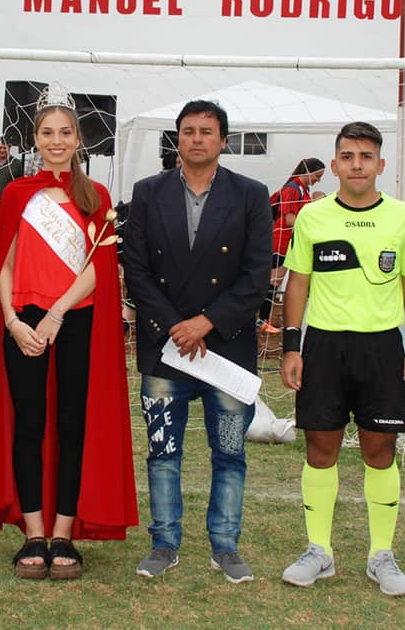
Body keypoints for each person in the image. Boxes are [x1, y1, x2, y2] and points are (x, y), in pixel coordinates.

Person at [0, 87, 137, 580]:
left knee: (71, 425)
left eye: (65, 133)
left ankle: (64, 531)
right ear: (34, 139)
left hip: (75, 321)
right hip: (22, 323)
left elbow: (97, 270)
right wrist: (15, 322)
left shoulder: (95, 197)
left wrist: (57, 314)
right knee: (28, 424)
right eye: (47, 133)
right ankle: (34, 533)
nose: (56, 141)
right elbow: (4, 268)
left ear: (79, 139)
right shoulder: (19, 194)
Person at [122, 99, 272, 583]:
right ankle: (164, 543)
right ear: (178, 139)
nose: (197, 139)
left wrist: (205, 322)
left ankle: (225, 547)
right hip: (166, 353)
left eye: (207, 131)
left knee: (229, 453)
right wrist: (174, 326)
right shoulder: (147, 193)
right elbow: (137, 270)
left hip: (225, 351)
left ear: (223, 140)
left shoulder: (251, 195)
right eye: (188, 131)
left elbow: (256, 276)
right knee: (163, 451)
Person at [278, 122, 405, 596]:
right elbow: (297, 281)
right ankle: (318, 550)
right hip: (323, 346)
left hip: (382, 347)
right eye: (347, 155)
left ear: (380, 165)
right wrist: (291, 345)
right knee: (320, 450)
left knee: (379, 452)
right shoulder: (313, 216)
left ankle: (381, 554)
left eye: (366, 156)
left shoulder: (403, 217)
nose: (357, 164)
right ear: (335, 163)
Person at [259, 157, 326, 333]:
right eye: (318, 175)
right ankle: (261, 321)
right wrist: (311, 226)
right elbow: (289, 219)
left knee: (279, 281)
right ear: (308, 171)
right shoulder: (292, 188)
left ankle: (266, 321)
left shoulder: (304, 190)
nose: (319, 179)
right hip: (282, 240)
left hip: (292, 242)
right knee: (272, 282)